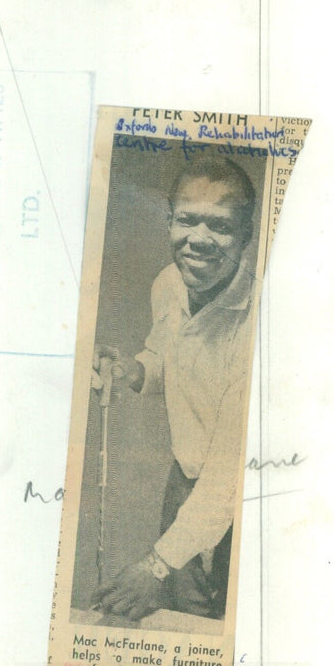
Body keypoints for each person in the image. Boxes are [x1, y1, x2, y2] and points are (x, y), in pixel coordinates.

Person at [93, 154, 257, 622]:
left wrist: (155, 564)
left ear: (245, 236)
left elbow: (228, 478)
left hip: (242, 494)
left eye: (220, 226)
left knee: (228, 632)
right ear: (169, 222)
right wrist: (131, 372)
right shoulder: (168, 283)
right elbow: (166, 358)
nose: (198, 240)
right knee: (178, 617)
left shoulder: (258, 324)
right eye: (187, 220)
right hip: (185, 480)